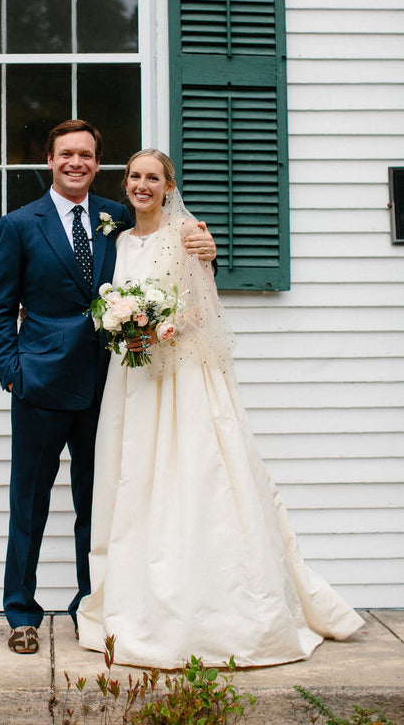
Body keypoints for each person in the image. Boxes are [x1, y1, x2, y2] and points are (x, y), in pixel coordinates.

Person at [77, 149, 364, 668]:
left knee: (194, 475)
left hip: (183, 370)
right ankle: (134, 599)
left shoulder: (188, 234)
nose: (143, 185)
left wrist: (158, 324)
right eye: (135, 177)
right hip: (133, 376)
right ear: (125, 185)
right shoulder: (114, 240)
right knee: (133, 478)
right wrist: (126, 325)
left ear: (168, 186)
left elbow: (200, 307)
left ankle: (217, 606)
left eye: (153, 178)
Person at [0, 123, 217, 655]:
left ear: (96, 163)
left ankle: (93, 603)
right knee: (30, 505)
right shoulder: (19, 225)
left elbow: (167, 259)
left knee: (102, 505)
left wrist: (207, 247)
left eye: (86, 155)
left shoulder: (118, 217)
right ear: (49, 160)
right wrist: (13, 371)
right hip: (39, 387)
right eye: (67, 154)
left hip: (109, 388)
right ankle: (21, 611)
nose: (76, 163)